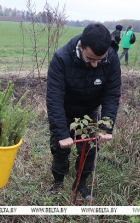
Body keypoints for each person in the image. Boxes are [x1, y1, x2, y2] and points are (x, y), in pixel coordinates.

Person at [46, 23, 121, 200]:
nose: (95, 65)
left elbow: (112, 93)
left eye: (99, 60)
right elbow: (54, 98)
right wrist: (62, 134)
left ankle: (81, 184)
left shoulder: (111, 58)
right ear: (81, 46)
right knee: (59, 148)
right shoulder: (61, 58)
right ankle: (58, 181)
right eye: (90, 59)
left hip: (89, 110)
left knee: (89, 149)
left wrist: (106, 127)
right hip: (65, 109)